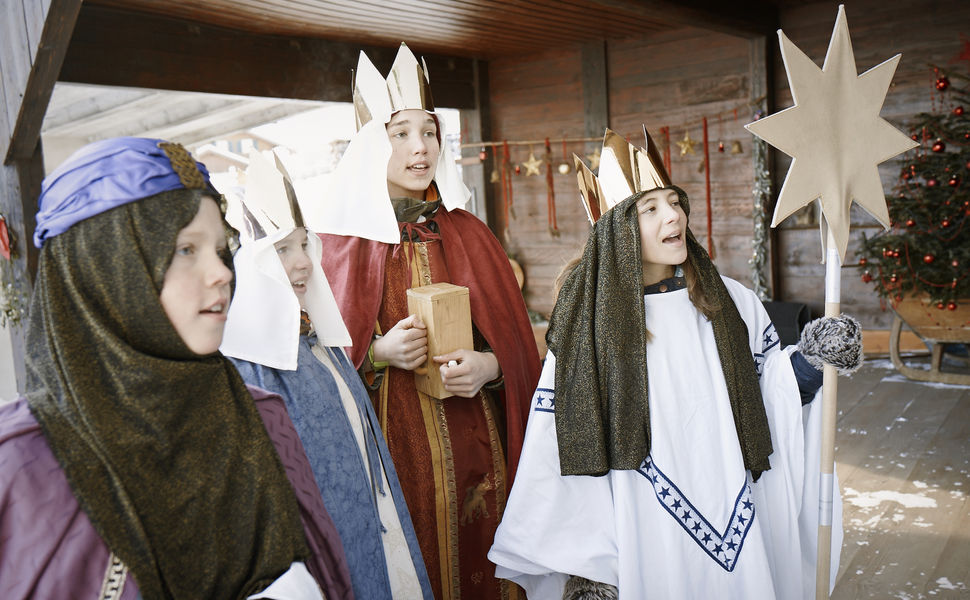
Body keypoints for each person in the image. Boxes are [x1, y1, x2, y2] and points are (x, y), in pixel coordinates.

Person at [488, 130, 863, 599]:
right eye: (650, 209)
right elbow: (559, 447)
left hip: (737, 507)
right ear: (617, 231)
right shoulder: (588, 327)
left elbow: (768, 393)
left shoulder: (731, 301)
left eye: (675, 202)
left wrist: (808, 364)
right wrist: (590, 569)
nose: (674, 216)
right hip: (641, 528)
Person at [0, 137, 353, 600]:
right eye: (186, 249)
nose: (223, 272)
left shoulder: (263, 417)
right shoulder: (18, 467)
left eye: (219, 246)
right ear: (104, 268)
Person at [312, 43, 541, 600]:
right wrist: (378, 353)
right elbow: (314, 370)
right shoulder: (337, 245)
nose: (421, 149)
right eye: (401, 133)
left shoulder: (471, 234)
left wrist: (489, 366)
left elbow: (517, 347)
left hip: (480, 453)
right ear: (371, 145)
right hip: (392, 457)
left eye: (430, 132)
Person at [220, 149, 434, 600]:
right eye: (281, 249)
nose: (301, 262)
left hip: (372, 516)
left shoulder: (322, 340)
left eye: (303, 244)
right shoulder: (249, 366)